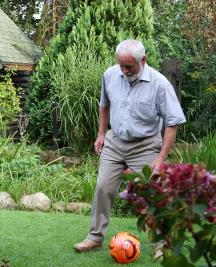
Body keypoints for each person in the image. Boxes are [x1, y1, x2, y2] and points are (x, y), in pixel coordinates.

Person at [74, 39, 186, 252]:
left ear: (142, 61)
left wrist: (161, 159)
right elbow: (104, 105)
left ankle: (161, 244)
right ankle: (95, 237)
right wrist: (100, 135)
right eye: (121, 65)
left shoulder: (159, 84)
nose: (124, 71)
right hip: (114, 141)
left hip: (145, 145)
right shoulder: (110, 75)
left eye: (129, 66)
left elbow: (172, 123)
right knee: (103, 188)